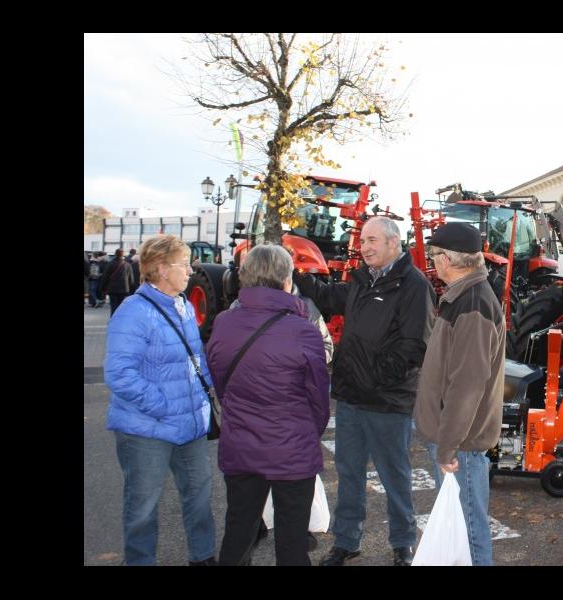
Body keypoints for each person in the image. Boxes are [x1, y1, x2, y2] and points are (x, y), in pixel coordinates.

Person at [296, 216, 436, 567]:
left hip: (388, 400)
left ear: (393, 242)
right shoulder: (361, 281)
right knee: (349, 473)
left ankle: (403, 544)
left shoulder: (413, 285)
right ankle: (346, 541)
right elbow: (328, 296)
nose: (365, 246)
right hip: (352, 398)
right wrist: (294, 274)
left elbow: (414, 345)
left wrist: (374, 377)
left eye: (372, 240)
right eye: (363, 241)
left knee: (395, 477)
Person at [206, 244, 330, 566]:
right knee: (291, 543)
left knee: (238, 531)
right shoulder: (303, 330)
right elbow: (319, 398)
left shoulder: (223, 323)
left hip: (242, 443)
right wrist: (305, 431)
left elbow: (221, 381)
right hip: (292, 447)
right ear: (286, 280)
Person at [103, 234, 217, 566]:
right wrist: (164, 407)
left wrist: (203, 394)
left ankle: (203, 556)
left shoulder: (182, 305)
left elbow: (196, 358)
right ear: (160, 269)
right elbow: (119, 374)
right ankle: (140, 560)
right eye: (183, 263)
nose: (189, 270)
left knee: (198, 496)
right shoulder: (134, 311)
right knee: (142, 506)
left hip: (190, 425)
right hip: (146, 428)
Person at [413, 222, 504, 566]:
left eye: (435, 255)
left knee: (468, 532)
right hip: (457, 443)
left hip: (461, 446)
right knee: (463, 529)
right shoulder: (462, 297)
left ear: (448, 259)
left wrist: (448, 445)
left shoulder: (472, 303)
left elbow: (466, 386)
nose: (433, 261)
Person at [99, 249, 138, 316]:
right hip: (124, 289)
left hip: (112, 289)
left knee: (113, 307)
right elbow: (131, 280)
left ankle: (113, 321)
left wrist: (102, 288)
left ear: (115, 254)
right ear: (123, 255)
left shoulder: (110, 264)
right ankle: (119, 321)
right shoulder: (127, 265)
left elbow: (105, 277)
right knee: (121, 307)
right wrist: (131, 290)